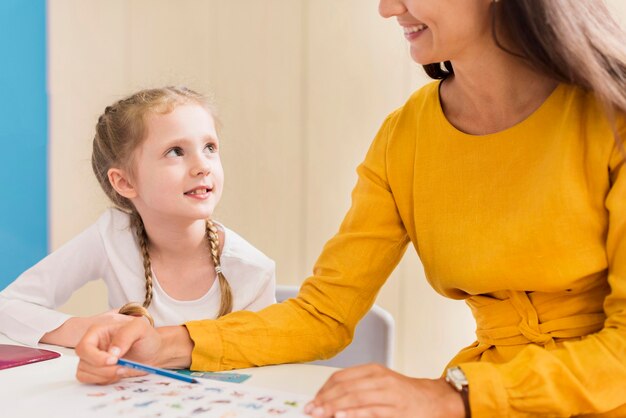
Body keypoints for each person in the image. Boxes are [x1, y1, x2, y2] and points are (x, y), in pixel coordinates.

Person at [74, 0, 626, 416]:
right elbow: (326, 313)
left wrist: (456, 394)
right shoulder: (405, 136)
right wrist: (169, 343)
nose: (387, 8)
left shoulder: (611, 115)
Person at [0, 87, 276, 348]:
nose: (203, 166)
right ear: (124, 182)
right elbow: (8, 306)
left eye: (210, 148)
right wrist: (87, 329)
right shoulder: (114, 235)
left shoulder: (252, 270)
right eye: (176, 152)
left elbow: (268, 359)